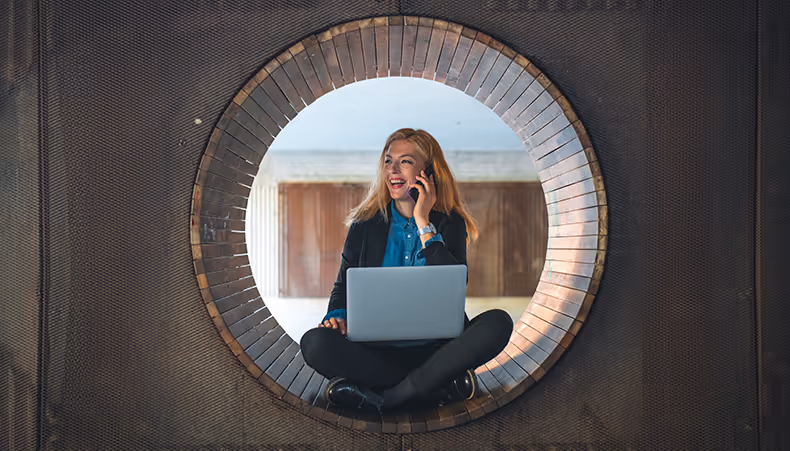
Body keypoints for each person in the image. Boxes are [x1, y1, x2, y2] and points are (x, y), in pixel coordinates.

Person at [299, 128, 513, 414]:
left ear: (429, 172)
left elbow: (452, 284)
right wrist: (336, 316)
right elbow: (343, 287)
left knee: (498, 322)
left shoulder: (450, 224)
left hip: (439, 351)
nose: (393, 169)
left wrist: (424, 222)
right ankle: (434, 387)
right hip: (377, 354)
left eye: (406, 161)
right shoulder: (364, 226)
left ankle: (388, 397)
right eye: (388, 161)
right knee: (314, 343)